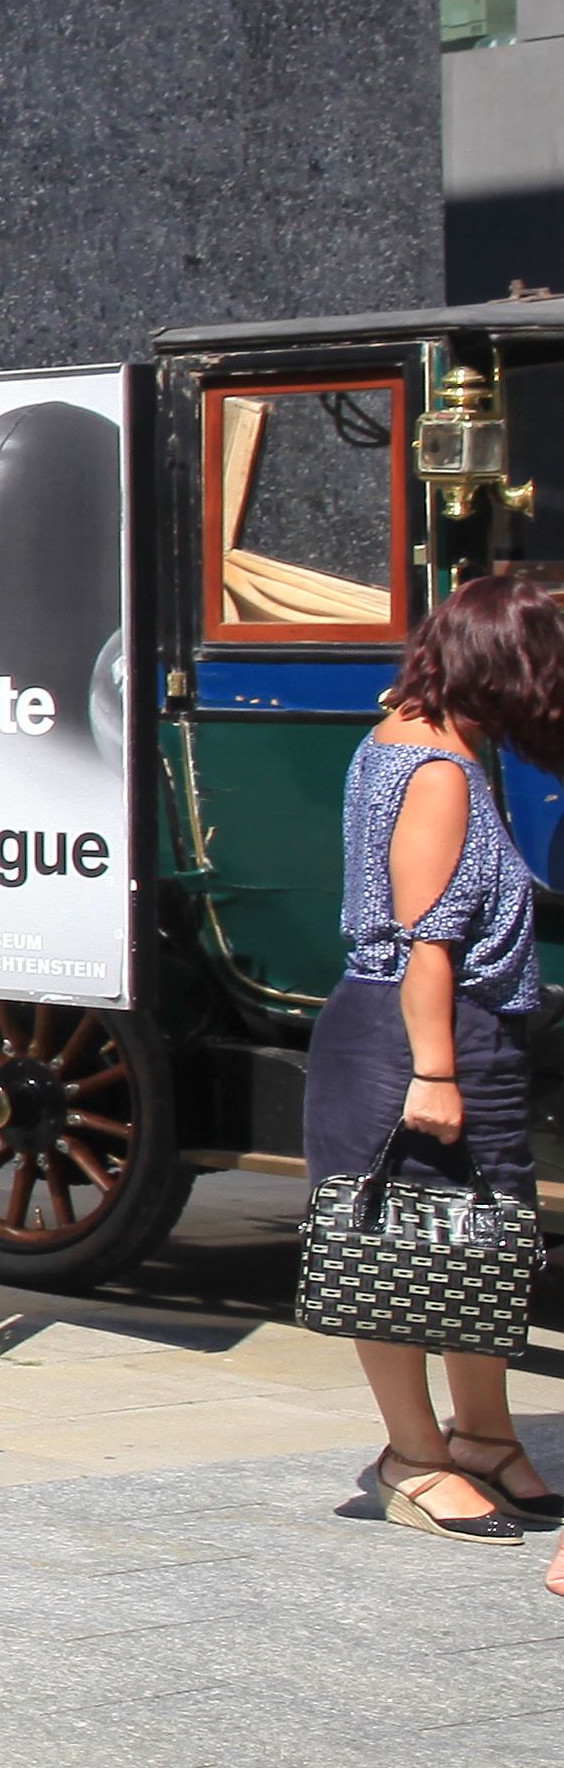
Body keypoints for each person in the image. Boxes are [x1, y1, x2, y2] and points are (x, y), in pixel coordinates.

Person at [314, 571, 564, 1549]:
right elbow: (426, 940)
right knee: (403, 1252)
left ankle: (486, 1436)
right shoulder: (439, 771)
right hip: (420, 1033)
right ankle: (412, 1459)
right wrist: (436, 1073)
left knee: (478, 1245)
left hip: (442, 1029)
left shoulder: (419, 738)